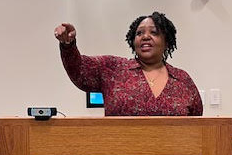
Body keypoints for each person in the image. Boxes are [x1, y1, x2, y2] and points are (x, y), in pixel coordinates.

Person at [54, 11, 203, 116]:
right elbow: (80, 71)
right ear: (133, 42)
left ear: (167, 42)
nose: (145, 36)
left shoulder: (182, 79)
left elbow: (198, 124)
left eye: (154, 32)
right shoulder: (113, 68)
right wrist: (68, 45)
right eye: (139, 33)